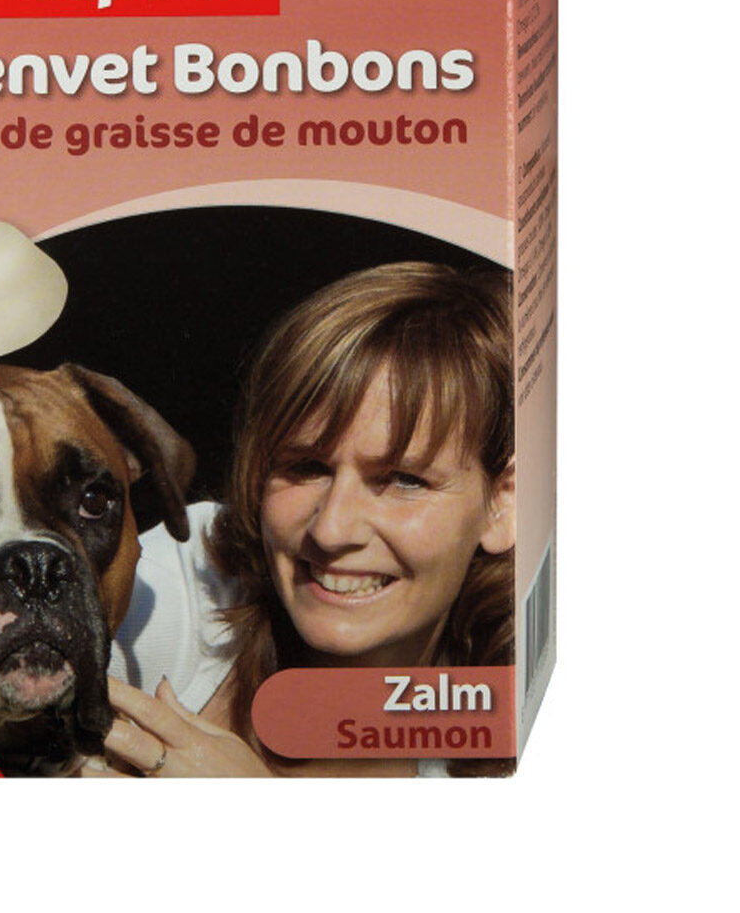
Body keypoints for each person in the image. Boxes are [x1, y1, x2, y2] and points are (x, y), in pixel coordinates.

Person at [93, 261, 516, 777]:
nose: (331, 530)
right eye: (307, 467)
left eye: (403, 479)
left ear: (504, 503)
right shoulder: (196, 580)